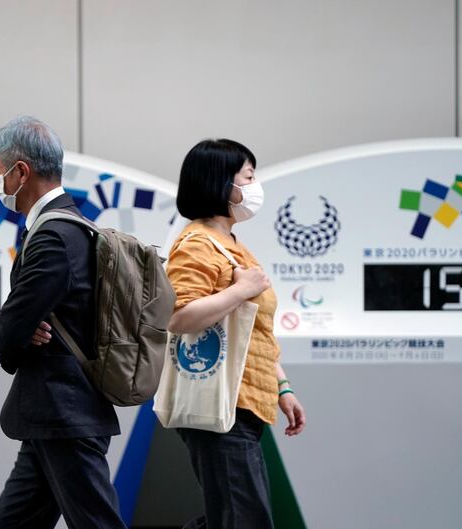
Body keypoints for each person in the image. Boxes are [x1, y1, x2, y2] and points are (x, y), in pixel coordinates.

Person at [0, 116, 127, 529]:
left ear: (21, 171)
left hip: (64, 414)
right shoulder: (75, 225)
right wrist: (12, 322)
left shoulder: (52, 236)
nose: (1, 183)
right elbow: (17, 316)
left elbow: (13, 325)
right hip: (52, 417)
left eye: (0, 172)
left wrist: (8, 328)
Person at [166, 139, 307, 529]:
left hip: (244, 403)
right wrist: (240, 290)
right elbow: (179, 316)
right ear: (221, 184)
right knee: (243, 518)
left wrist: (283, 388)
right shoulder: (197, 245)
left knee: (233, 515)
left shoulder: (231, 246)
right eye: (248, 176)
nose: (255, 185)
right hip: (221, 406)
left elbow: (255, 331)